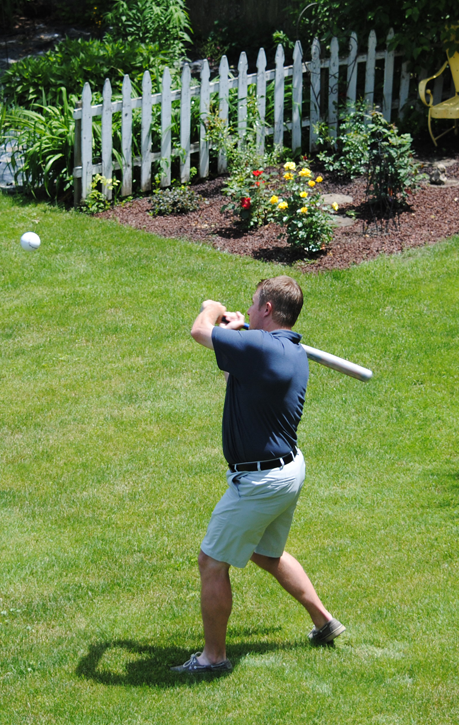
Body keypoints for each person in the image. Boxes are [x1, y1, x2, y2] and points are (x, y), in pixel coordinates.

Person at [171, 275, 345, 674]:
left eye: (252, 305)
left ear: (267, 309)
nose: (247, 310)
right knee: (267, 554)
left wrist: (213, 308)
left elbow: (200, 330)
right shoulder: (285, 351)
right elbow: (238, 375)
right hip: (286, 470)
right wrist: (235, 334)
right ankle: (324, 622)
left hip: (260, 481)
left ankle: (212, 659)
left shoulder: (262, 346)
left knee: (211, 562)